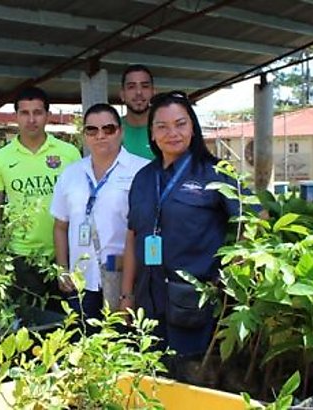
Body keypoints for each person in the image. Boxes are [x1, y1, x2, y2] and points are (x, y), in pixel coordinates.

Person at [119, 91, 241, 356]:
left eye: (180, 124)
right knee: (151, 376)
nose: (171, 133)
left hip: (193, 301)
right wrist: (126, 295)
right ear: (152, 133)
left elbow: (254, 222)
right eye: (161, 126)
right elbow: (132, 237)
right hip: (147, 301)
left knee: (190, 378)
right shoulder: (143, 178)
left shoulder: (217, 173)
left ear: (193, 128)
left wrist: (230, 280)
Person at [0, 87, 81, 311]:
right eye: (24, 113)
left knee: (67, 326)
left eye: (37, 112)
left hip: (63, 255)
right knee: (28, 326)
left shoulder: (69, 153)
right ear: (16, 116)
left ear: (47, 115)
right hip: (22, 258)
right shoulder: (1, 158)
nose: (31, 119)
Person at [51, 103, 148, 324]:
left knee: (122, 347)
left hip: (123, 280)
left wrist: (129, 292)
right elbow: (60, 225)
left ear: (120, 131)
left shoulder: (142, 171)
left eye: (108, 129)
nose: (100, 135)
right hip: (80, 281)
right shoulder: (71, 173)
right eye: (92, 130)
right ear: (84, 135)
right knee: (83, 348)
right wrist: (62, 269)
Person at [120, 65, 156, 160]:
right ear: (122, 94)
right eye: (131, 87)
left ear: (153, 92)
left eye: (145, 86)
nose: (139, 92)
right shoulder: (110, 131)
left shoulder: (166, 130)